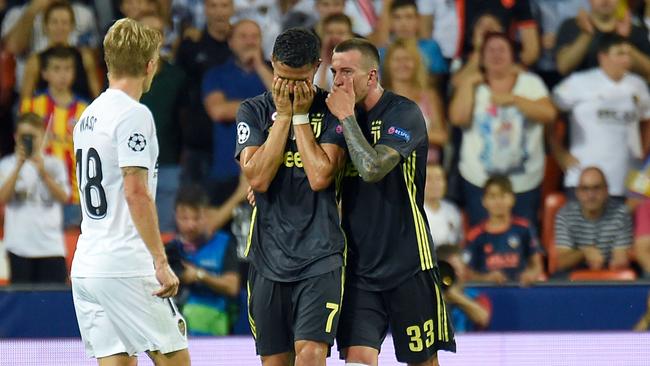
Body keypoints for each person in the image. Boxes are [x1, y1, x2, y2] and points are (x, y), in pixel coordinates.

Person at [327, 37, 455, 366]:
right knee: (357, 359)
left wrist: (346, 118)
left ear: (371, 76)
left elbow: (371, 168)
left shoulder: (404, 113)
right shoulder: (336, 120)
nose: (338, 81)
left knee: (423, 362)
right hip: (358, 268)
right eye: (333, 72)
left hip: (408, 263)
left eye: (347, 72)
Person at [70, 19, 189, 365]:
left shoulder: (87, 116)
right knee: (175, 360)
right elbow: (135, 192)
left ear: (108, 63)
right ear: (150, 65)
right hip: (126, 264)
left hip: (88, 265)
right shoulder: (134, 115)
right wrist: (160, 261)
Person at [235, 28, 347, 366]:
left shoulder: (333, 113)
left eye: (299, 81)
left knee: (311, 354)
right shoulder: (252, 111)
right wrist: (283, 116)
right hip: (268, 257)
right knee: (275, 361)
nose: (290, 88)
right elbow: (257, 177)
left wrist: (298, 115)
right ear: (272, 64)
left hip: (321, 255)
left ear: (316, 67)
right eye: (282, 78)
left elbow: (319, 176)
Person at [449, 32, 556, 227]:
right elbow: (458, 118)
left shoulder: (530, 83)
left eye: (502, 50)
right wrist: (467, 83)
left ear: (512, 56)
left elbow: (549, 114)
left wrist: (515, 99)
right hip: (480, 182)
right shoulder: (473, 85)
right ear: (481, 57)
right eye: (490, 50)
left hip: (524, 183)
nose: (496, 55)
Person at [552, 33, 650, 199]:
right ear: (603, 57)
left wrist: (642, 161)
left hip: (626, 182)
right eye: (619, 53)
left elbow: (646, 123)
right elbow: (549, 113)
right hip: (584, 180)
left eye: (628, 53)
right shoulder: (578, 82)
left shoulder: (638, 85)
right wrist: (559, 152)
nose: (626, 59)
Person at [20, 45, 88, 228]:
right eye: (56, 69)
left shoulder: (85, 111)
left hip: (73, 197)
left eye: (68, 68)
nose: (63, 75)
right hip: (38, 196)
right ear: (44, 73)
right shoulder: (32, 107)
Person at [0, 113, 69, 284]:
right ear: (16, 136)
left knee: (53, 304)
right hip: (19, 248)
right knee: (22, 306)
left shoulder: (55, 164)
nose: (28, 140)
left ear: (42, 136)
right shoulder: (7, 164)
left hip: (51, 248)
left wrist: (43, 173)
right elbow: (2, 198)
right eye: (24, 136)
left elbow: (64, 197)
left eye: (33, 136)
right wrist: (18, 166)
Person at [165, 185, 241, 336]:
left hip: (215, 333)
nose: (190, 224)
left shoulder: (224, 243)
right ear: (175, 216)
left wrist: (199, 275)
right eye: (184, 218)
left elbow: (232, 287)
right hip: (175, 332)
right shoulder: (168, 248)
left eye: (196, 218)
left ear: (206, 214)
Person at [138, 11, 188, 233]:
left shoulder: (177, 77)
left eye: (157, 33)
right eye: (145, 32)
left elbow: (185, 124)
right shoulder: (120, 76)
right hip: (129, 167)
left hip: (167, 164)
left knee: (165, 233)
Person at [465, 175, 544, 285]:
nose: (498, 201)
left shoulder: (524, 228)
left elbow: (537, 266)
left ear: (512, 199)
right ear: (484, 201)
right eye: (492, 196)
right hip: (487, 294)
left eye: (503, 196)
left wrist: (530, 274)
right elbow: (467, 273)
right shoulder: (475, 235)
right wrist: (486, 278)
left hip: (520, 290)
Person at [555, 167, 634, 273]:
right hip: (574, 274)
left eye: (596, 188)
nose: (591, 195)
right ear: (577, 192)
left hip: (609, 273)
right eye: (585, 189)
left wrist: (617, 263)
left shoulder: (621, 213)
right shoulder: (565, 215)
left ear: (606, 190)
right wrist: (585, 252)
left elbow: (620, 256)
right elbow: (562, 261)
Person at [382, 38, 447, 164]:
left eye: (407, 59)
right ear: (388, 64)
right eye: (397, 60)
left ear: (416, 63)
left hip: (425, 171)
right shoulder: (378, 98)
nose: (402, 64)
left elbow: (442, 136)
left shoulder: (429, 96)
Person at [20, 0, 101, 101]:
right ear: (45, 26)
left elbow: (97, 97)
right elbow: (25, 103)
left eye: (64, 22)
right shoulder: (35, 61)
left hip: (81, 114)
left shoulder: (85, 57)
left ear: (72, 26)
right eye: (54, 22)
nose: (59, 27)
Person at [555, 0, 650, 80]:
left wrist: (623, 42)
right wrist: (587, 34)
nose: (605, 0)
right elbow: (563, 68)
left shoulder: (634, 30)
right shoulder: (571, 26)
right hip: (583, 97)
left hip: (625, 96)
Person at [435, 244, 491, 333]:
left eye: (456, 269)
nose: (453, 274)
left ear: (464, 269)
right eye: (448, 269)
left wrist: (454, 296)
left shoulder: (476, 296)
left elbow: (483, 319)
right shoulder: (428, 296)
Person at [424, 164, 463, 247]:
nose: (434, 184)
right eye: (429, 178)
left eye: (439, 178)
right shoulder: (413, 211)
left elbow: (459, 241)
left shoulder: (452, 209)